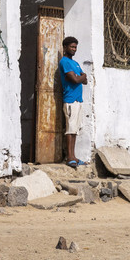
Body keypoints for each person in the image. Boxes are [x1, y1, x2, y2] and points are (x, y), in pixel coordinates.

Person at [59, 37, 89, 167]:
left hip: (78, 100)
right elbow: (75, 80)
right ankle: (69, 157)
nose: (74, 49)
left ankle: (74, 156)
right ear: (65, 47)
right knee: (70, 129)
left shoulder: (75, 63)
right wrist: (80, 77)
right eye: (72, 47)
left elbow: (85, 79)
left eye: (75, 47)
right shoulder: (64, 62)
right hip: (70, 100)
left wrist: (80, 77)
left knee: (75, 129)